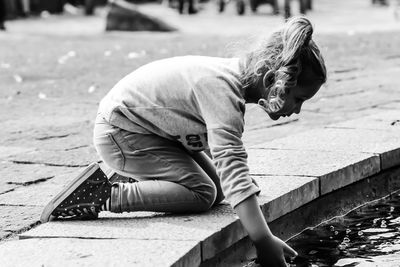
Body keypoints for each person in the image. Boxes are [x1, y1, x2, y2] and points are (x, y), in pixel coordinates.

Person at [41, 16, 327, 266]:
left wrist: (242, 189)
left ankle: (138, 176)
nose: (297, 110)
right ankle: (102, 195)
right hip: (121, 134)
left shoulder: (230, 80)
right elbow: (232, 166)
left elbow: (223, 159)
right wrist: (263, 239)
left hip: (147, 133)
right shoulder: (223, 92)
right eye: (298, 99)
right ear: (271, 81)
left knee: (215, 190)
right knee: (202, 193)